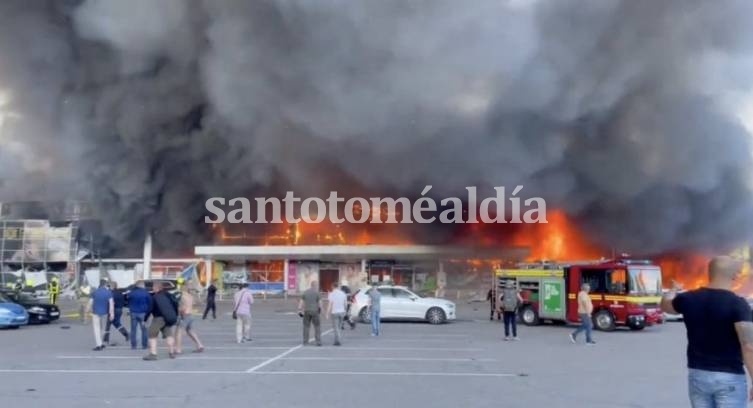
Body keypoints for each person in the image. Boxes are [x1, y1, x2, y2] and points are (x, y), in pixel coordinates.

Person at [661, 256, 753, 406]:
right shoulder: (738, 304)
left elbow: (665, 306)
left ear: (709, 273)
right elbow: (748, 345)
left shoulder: (688, 298)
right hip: (729, 377)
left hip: (698, 375)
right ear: (735, 276)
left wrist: (673, 290)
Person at [143, 281, 179, 361]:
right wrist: (175, 315)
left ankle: (153, 354)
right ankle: (171, 352)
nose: (152, 289)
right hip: (168, 318)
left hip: (158, 318)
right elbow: (175, 304)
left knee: (152, 334)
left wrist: (145, 319)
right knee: (169, 334)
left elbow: (150, 309)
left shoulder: (155, 297)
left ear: (157, 288)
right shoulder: (169, 295)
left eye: (153, 287)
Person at [176, 287, 204, 353]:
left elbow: (183, 308)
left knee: (179, 332)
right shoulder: (190, 296)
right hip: (190, 315)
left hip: (185, 315)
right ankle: (200, 345)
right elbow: (195, 304)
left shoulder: (182, 296)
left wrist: (180, 313)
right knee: (190, 331)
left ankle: (178, 349)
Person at [89, 279, 114, 351]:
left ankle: (98, 345)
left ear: (99, 284)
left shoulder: (94, 292)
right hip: (105, 313)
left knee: (96, 329)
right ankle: (101, 343)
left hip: (95, 313)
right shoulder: (108, 293)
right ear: (105, 284)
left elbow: (90, 303)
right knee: (103, 328)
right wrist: (112, 314)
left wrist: (86, 311)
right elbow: (111, 304)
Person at [127, 280, 152, 350]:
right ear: (142, 285)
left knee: (133, 330)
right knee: (144, 329)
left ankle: (133, 345)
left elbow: (128, 301)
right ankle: (144, 345)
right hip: (143, 313)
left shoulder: (131, 293)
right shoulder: (146, 293)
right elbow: (150, 302)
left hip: (133, 313)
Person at [103, 282, 130, 346]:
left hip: (113, 310)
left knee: (107, 325)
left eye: (109, 286)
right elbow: (124, 301)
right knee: (116, 323)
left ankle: (105, 340)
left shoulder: (111, 294)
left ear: (111, 286)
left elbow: (110, 303)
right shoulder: (120, 293)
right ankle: (126, 334)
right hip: (119, 309)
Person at [298, 281, 322, 346]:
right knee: (317, 326)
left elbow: (301, 302)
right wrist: (320, 309)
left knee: (306, 326)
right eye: (317, 285)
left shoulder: (305, 292)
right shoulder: (317, 293)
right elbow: (320, 303)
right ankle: (318, 341)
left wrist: (300, 310)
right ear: (315, 285)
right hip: (315, 311)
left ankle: (305, 341)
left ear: (311, 285)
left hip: (307, 311)